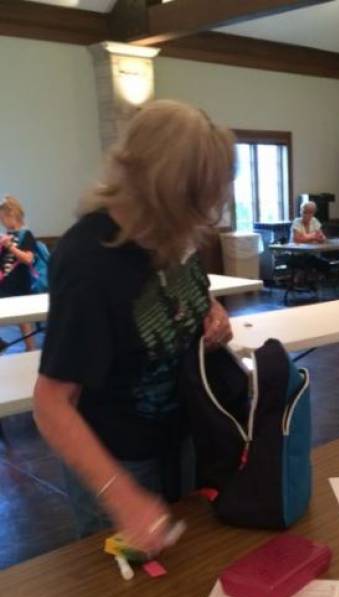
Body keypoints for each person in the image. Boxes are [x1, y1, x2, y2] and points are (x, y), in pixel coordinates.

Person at [33, 100, 235, 554]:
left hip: (178, 440)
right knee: (122, 589)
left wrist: (212, 312)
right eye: (195, 203)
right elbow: (51, 403)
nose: (203, 218)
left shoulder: (172, 233)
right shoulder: (88, 262)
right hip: (118, 460)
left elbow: (192, 292)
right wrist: (122, 495)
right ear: (161, 192)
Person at [0, 195, 37, 351]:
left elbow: (28, 259)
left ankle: (31, 349)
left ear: (12, 215)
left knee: (24, 321)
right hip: (5, 284)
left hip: (19, 284)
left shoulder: (26, 235)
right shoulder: (6, 236)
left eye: (3, 218)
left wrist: (10, 246)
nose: (2, 222)